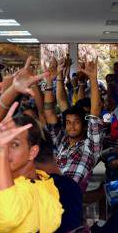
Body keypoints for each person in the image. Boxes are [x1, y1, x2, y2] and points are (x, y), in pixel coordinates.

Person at [0, 106, 63, 232]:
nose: (6, 149)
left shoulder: (25, 189)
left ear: (32, 152)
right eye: (4, 142)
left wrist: (1, 150)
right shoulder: (43, 182)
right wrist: (13, 90)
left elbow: (7, 219)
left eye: (14, 144)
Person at [44, 58, 105, 186]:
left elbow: (95, 111)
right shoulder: (62, 142)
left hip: (68, 197)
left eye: (76, 122)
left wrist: (93, 79)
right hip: (49, 192)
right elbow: (49, 112)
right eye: (68, 122)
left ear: (84, 125)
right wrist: (49, 82)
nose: (71, 126)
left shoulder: (90, 146)